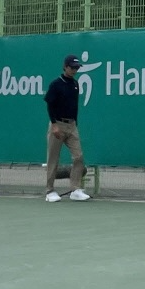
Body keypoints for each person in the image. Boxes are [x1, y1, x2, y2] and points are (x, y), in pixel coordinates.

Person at [44, 54, 91, 202]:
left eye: (77, 68)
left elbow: (74, 106)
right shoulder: (56, 84)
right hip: (57, 125)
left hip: (72, 126)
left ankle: (75, 190)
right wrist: (54, 125)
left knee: (79, 157)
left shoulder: (75, 84)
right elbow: (50, 105)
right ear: (65, 67)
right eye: (72, 67)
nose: (75, 70)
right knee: (53, 159)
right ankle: (49, 191)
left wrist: (74, 123)